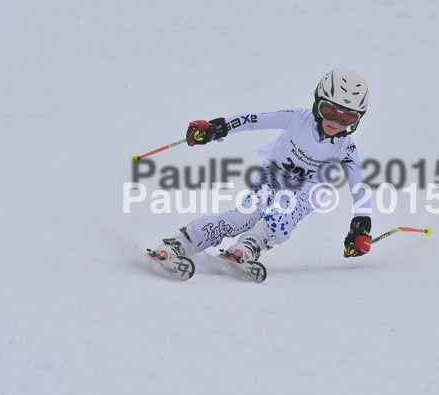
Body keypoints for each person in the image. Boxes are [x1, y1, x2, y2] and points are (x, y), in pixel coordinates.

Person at [150, 69, 373, 268]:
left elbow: (359, 187)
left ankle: (249, 246)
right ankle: (182, 243)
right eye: (330, 111)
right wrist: (216, 128)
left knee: (286, 213)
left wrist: (360, 227)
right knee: (244, 216)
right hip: (274, 174)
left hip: (310, 189)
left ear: (357, 120)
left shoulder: (347, 149)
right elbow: (253, 120)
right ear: (317, 104)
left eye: (347, 117)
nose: (336, 122)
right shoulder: (297, 119)